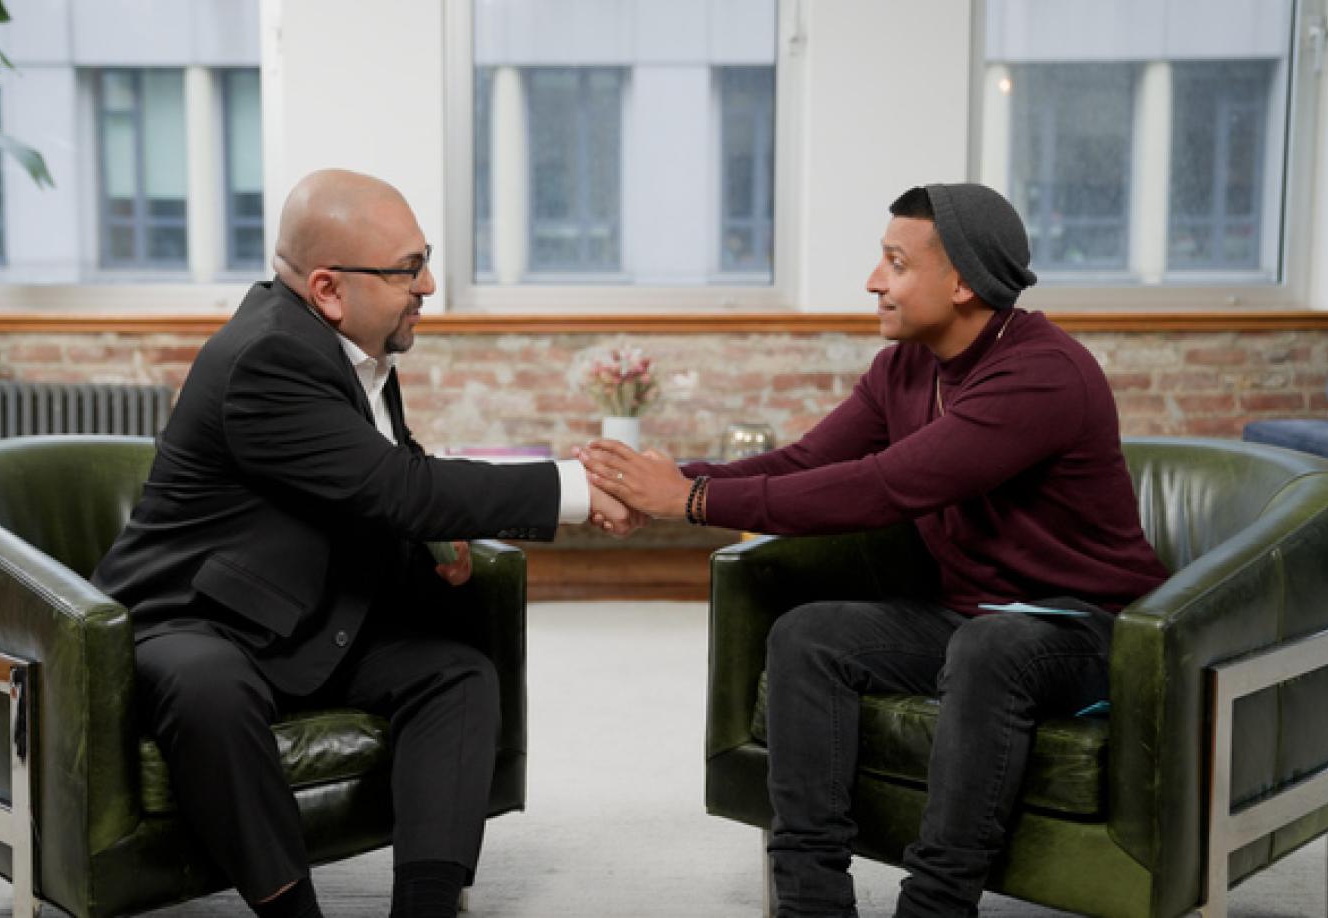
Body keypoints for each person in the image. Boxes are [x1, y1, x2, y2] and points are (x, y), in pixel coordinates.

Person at [577, 183, 1169, 917]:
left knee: (992, 648)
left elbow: (885, 488)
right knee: (808, 636)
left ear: (962, 284)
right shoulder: (906, 367)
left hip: (1085, 629)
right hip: (969, 619)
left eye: (895, 262)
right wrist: (657, 488)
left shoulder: (1043, 375)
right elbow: (801, 465)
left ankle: (935, 905)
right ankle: (811, 899)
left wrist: (687, 501)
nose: (872, 281)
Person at [92, 169, 634, 918]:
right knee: (211, 688)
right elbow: (396, 489)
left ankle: (427, 902)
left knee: (458, 675)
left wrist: (437, 530)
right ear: (327, 289)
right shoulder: (268, 358)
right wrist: (572, 489)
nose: (430, 284)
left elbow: (380, 472)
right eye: (409, 268)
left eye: (425, 258)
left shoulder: (352, 348)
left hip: (306, 612)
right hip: (191, 618)